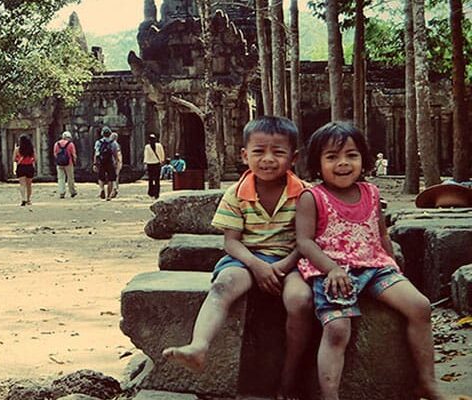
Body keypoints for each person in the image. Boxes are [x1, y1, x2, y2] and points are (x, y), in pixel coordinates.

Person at [162, 116, 314, 398]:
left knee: (301, 300)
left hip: (291, 261)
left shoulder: (304, 194)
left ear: (293, 157)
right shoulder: (236, 194)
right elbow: (231, 243)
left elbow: (307, 241)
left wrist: (281, 266)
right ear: (244, 155)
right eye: (259, 151)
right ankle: (199, 345)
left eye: (278, 152)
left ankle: (290, 374)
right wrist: (257, 266)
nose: (268, 159)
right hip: (246, 259)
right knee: (224, 285)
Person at [296, 122, 446, 400]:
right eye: (332, 157)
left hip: (374, 267)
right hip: (333, 270)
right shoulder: (312, 196)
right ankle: (330, 395)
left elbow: (380, 232)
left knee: (420, 306)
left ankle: (427, 381)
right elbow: (304, 241)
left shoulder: (371, 193)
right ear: (317, 163)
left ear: (364, 159)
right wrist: (332, 268)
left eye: (351, 155)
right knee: (338, 329)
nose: (343, 163)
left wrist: (392, 261)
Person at [93, 126, 118, 201]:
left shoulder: (98, 142)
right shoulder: (113, 143)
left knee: (101, 177)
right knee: (111, 178)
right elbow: (115, 153)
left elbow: (96, 153)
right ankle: (108, 196)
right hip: (109, 161)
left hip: (101, 161)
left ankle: (102, 189)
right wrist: (116, 161)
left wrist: (95, 163)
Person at [54, 131, 78, 199]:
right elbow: (73, 154)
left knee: (61, 178)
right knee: (70, 178)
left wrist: (59, 160)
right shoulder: (70, 144)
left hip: (59, 163)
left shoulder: (57, 144)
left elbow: (55, 154)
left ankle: (62, 192)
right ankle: (72, 191)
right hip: (69, 163)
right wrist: (74, 161)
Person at [13, 135, 35, 206]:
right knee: (29, 185)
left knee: (22, 184)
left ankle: (23, 199)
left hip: (21, 167)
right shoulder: (31, 149)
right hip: (29, 167)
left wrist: (19, 160)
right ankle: (28, 199)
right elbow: (35, 159)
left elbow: (14, 159)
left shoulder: (17, 149)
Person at [143, 133, 165, 199]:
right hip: (156, 163)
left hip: (150, 164)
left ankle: (151, 192)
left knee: (151, 179)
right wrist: (162, 160)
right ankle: (156, 193)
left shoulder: (147, 146)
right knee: (156, 179)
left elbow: (146, 155)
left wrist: (145, 163)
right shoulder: (159, 145)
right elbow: (162, 153)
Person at [110, 131, 123, 198]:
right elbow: (118, 154)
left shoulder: (110, 144)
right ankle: (115, 189)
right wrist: (119, 162)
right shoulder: (116, 144)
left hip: (111, 162)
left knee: (112, 177)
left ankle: (113, 190)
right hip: (116, 161)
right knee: (116, 176)